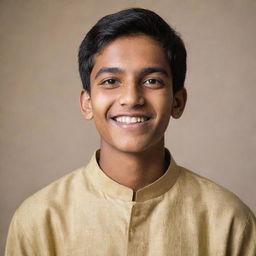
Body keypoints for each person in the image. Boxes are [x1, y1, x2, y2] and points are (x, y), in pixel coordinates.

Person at [5, 8, 256, 256]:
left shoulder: (229, 221)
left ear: (177, 101)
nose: (131, 98)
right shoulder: (38, 220)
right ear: (87, 103)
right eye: (111, 81)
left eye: (152, 81)